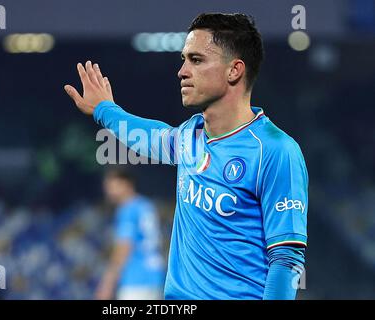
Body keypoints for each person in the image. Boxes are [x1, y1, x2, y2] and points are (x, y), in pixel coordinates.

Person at [64, 13, 308, 300]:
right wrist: (106, 109)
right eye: (184, 59)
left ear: (234, 71)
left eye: (196, 60)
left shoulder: (276, 151)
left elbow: (286, 260)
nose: (181, 71)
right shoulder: (191, 135)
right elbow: (151, 136)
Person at [95, 168, 165, 300]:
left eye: (112, 186)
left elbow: (124, 248)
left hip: (135, 280)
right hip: (155, 276)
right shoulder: (146, 205)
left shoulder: (127, 209)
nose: (108, 191)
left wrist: (107, 284)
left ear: (127, 184)